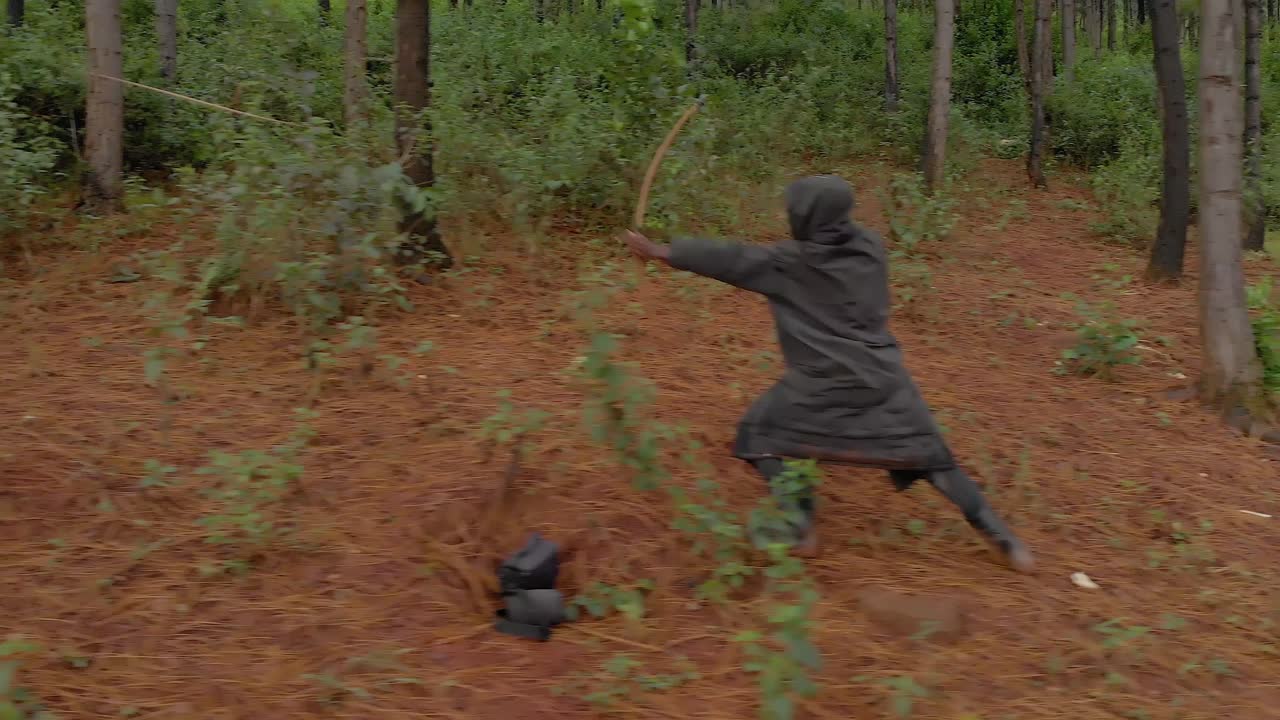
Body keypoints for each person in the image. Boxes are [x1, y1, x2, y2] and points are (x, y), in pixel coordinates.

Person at [620, 175, 1035, 573]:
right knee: (934, 459)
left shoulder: (790, 264)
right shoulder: (871, 249)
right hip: (885, 379)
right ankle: (1006, 543)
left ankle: (799, 526)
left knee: (757, 436)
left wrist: (660, 251)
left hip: (824, 383)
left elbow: (733, 260)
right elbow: (745, 258)